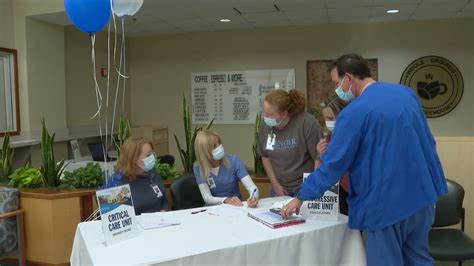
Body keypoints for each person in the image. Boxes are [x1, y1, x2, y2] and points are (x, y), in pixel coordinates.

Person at [282, 54, 447, 266]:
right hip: (422, 199)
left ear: (348, 78)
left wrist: (301, 196)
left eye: (336, 82)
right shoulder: (406, 94)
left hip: (386, 206)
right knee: (419, 260)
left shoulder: (354, 112)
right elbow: (428, 143)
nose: (336, 89)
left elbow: (333, 166)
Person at [258, 89, 323, 197]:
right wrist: (275, 184)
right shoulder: (265, 127)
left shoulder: (306, 123)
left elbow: (318, 158)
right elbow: (265, 156)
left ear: (284, 113)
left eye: (270, 115)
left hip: (305, 186)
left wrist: (311, 188)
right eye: (265, 113)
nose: (266, 118)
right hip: (279, 188)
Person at [104, 136, 170, 215]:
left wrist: (164, 211)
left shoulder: (153, 174)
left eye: (152, 153)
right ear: (134, 159)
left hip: (160, 223)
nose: (152, 157)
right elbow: (112, 215)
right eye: (148, 155)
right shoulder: (117, 181)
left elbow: (164, 201)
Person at [193, 130, 259, 207]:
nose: (220, 147)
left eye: (219, 143)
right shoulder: (198, 167)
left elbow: (252, 188)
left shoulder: (234, 161)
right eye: (214, 146)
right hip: (212, 208)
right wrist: (225, 200)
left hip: (235, 206)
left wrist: (253, 198)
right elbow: (207, 198)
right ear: (205, 151)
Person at [317, 94, 350, 215]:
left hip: (357, 191)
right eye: (326, 118)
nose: (328, 123)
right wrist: (322, 155)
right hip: (340, 190)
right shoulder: (330, 137)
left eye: (331, 118)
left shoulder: (353, 135)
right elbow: (326, 168)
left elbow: (340, 162)